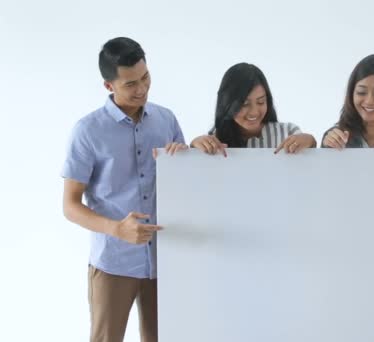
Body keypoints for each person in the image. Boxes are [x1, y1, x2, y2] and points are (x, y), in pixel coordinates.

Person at [62, 37, 187, 342]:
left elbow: (186, 183)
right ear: (109, 86)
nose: (142, 89)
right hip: (114, 262)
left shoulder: (166, 119)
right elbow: (70, 205)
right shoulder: (87, 131)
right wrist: (117, 229)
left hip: (166, 260)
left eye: (145, 78)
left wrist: (185, 158)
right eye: (131, 83)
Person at [190, 63, 316, 154]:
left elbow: (309, 165)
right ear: (227, 103)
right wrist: (194, 146)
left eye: (261, 102)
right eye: (244, 104)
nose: (254, 112)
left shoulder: (287, 132)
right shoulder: (215, 139)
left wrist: (310, 141)